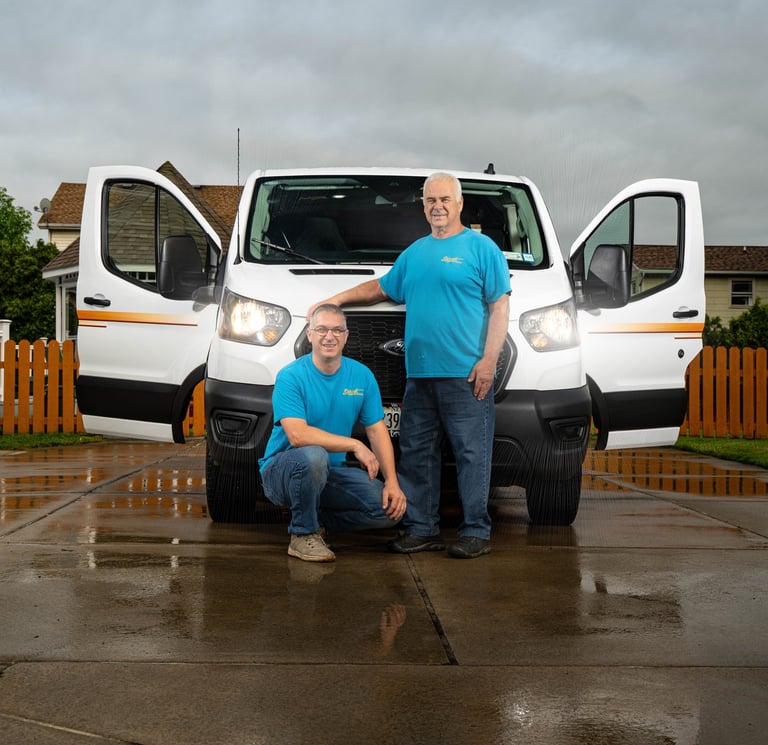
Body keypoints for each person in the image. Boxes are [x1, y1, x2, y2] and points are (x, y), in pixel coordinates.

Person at [312, 172, 510, 559]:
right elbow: (380, 288)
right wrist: (333, 302)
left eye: (444, 200)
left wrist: (488, 362)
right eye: (430, 200)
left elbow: (500, 305)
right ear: (423, 206)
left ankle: (475, 531)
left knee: (472, 453)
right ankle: (422, 528)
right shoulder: (415, 253)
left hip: (465, 375)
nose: (437, 206)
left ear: (459, 203)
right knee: (418, 454)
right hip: (419, 376)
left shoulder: (481, 248)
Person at [258, 303, 407, 563]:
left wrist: (392, 482)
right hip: (282, 471)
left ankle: (316, 520)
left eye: (338, 330)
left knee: (388, 512)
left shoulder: (361, 376)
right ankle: (303, 534)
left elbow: (376, 430)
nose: (330, 336)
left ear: (346, 336)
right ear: (310, 335)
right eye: (323, 329)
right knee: (314, 456)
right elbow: (298, 436)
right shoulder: (291, 377)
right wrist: (354, 445)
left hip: (330, 473)